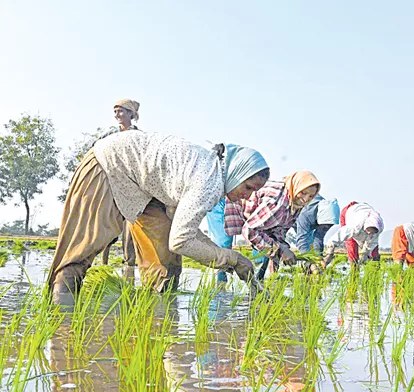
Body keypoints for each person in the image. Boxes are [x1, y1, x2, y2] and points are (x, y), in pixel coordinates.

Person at [47, 130, 269, 303]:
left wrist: (229, 258)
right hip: (110, 163)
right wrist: (231, 259)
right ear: (237, 172)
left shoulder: (212, 172)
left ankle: (157, 324)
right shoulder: (209, 181)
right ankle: (62, 326)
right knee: (85, 246)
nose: (246, 197)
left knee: (165, 262)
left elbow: (184, 231)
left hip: (145, 188)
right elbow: (181, 241)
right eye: (248, 187)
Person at [221, 171, 321, 280]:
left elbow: (278, 233)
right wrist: (280, 251)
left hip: (252, 217)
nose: (306, 199)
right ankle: (219, 289)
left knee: (265, 250)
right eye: (303, 193)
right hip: (228, 200)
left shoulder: (295, 205)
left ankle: (257, 286)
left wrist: (282, 253)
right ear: (296, 186)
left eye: (311, 196)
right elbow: (249, 230)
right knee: (224, 246)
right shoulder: (277, 202)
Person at [101, 99, 140, 267]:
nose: (117, 114)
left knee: (131, 230)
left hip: (132, 187)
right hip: (112, 184)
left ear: (131, 114)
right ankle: (104, 265)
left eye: (121, 111)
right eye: (115, 111)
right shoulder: (110, 135)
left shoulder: (139, 136)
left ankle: (129, 266)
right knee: (108, 226)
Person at [322, 202, 383, 268]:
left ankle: (374, 269)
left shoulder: (379, 227)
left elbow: (372, 243)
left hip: (363, 210)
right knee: (351, 244)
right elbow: (339, 236)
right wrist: (330, 251)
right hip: (348, 213)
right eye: (368, 231)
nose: (369, 233)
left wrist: (365, 253)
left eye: (372, 232)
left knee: (373, 252)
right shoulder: (355, 226)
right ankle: (354, 269)